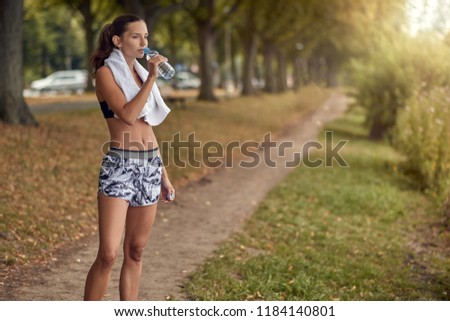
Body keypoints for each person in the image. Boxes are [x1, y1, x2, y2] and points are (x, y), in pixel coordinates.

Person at [84, 14, 175, 301]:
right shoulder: (105, 73)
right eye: (136, 36)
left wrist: (163, 175)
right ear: (118, 40)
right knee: (108, 254)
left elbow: (146, 128)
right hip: (120, 166)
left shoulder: (137, 72)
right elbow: (127, 114)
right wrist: (151, 77)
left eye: (146, 37)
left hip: (149, 165)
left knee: (135, 251)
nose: (144, 42)